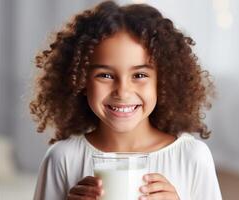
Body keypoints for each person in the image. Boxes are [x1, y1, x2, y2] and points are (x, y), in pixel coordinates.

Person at [30, 1, 221, 200]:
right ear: (80, 81)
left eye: (139, 75)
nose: (122, 92)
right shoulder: (62, 158)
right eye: (105, 75)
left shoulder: (192, 156)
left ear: (163, 81)